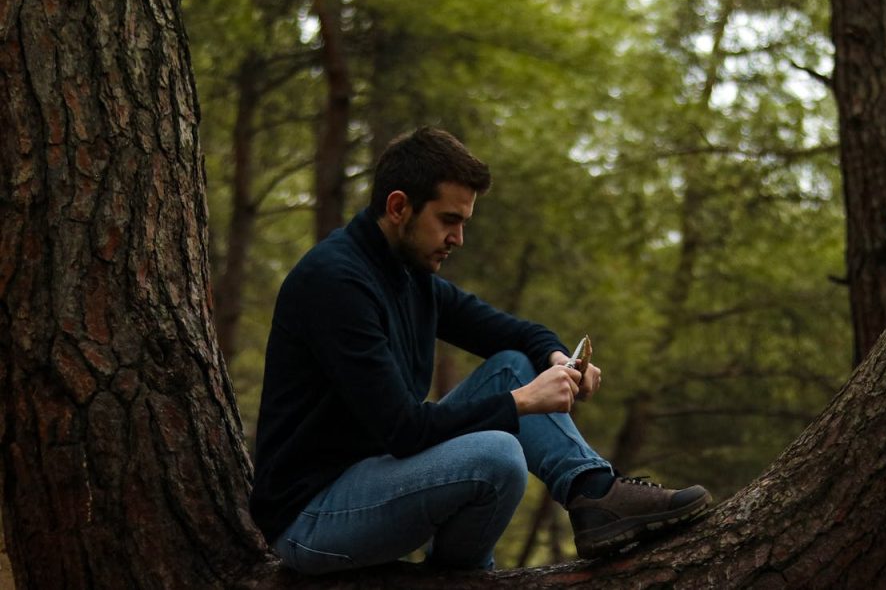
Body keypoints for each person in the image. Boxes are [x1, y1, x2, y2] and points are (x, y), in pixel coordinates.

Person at [249, 126, 711, 574]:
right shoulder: (337, 282)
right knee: (498, 457)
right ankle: (461, 574)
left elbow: (516, 334)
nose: (458, 239)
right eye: (448, 220)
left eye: (464, 223)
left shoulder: (410, 276)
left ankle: (595, 494)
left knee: (514, 365)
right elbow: (404, 430)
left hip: (375, 479)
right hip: (311, 518)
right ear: (398, 207)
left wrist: (556, 358)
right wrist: (523, 402)